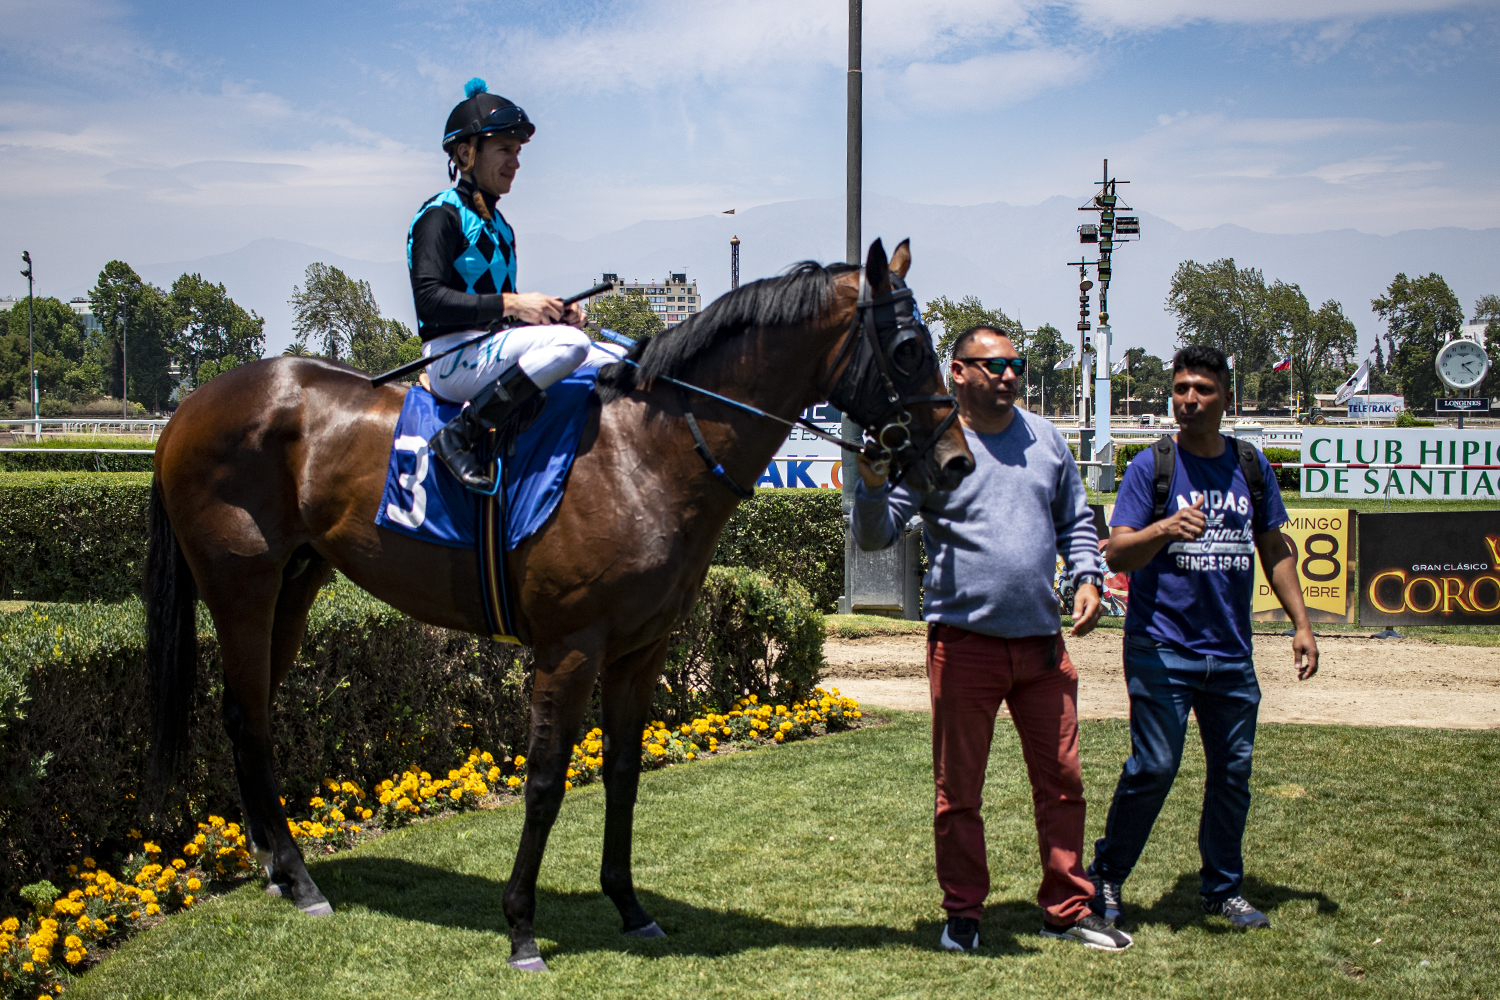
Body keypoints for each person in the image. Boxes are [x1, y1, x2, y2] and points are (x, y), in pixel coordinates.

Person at [853, 325, 1134, 953]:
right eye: (994, 365)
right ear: (957, 372)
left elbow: (1075, 520)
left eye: (1015, 364)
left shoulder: (1047, 439)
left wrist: (1088, 576)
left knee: (1063, 784)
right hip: (964, 646)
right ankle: (963, 914)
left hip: (1042, 647)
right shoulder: (933, 445)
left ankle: (1068, 907)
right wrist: (870, 485)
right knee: (959, 794)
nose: (1008, 375)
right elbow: (876, 535)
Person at [1086, 344, 1319, 931]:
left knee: (1233, 775)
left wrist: (1301, 624)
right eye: (1181, 388)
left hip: (1232, 655)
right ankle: (1107, 875)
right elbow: (1117, 552)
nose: (1189, 399)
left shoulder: (1250, 464)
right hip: (1160, 647)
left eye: (1202, 389)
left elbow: (1275, 549)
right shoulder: (1152, 466)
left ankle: (1222, 888)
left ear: (1225, 397)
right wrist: (1164, 528)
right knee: (1154, 767)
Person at [408, 77, 595, 492]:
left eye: (518, 151)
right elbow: (429, 301)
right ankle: (460, 436)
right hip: (451, 357)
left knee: (606, 357)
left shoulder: (502, 227)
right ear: (465, 153)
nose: (516, 162)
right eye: (505, 150)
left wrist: (551, 315)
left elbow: (501, 317)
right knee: (572, 346)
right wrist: (514, 304)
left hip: (488, 352)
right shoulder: (440, 215)